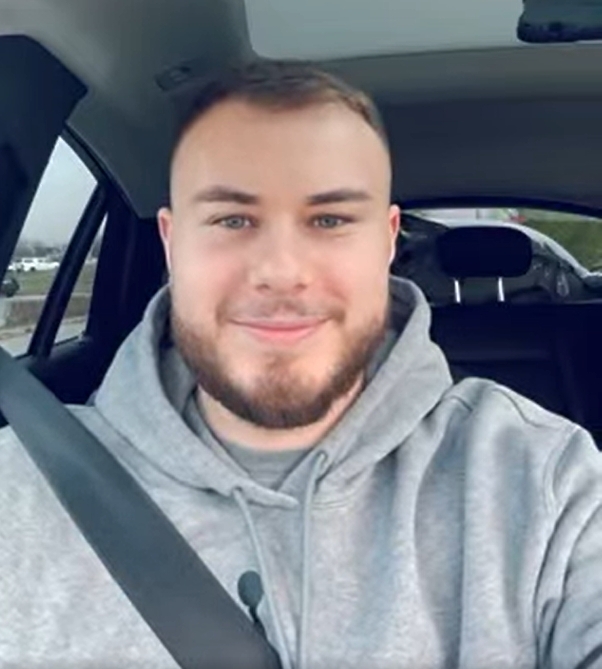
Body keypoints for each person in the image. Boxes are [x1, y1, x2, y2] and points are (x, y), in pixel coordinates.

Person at [1, 60, 602, 669]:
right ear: (172, 243)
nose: (282, 271)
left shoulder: (548, 481)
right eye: (232, 219)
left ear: (387, 241)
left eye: (330, 220)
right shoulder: (20, 490)